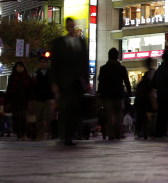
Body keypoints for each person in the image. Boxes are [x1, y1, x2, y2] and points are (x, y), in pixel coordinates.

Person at [51, 17, 90, 146]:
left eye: (72, 25)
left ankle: (70, 134)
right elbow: (55, 64)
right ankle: (66, 135)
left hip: (77, 82)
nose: (71, 28)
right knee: (66, 108)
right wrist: (55, 83)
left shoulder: (81, 42)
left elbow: (85, 62)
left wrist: (87, 80)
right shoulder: (60, 43)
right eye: (69, 26)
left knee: (75, 109)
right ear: (66, 27)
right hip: (64, 82)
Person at [98, 47, 131, 140]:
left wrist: (100, 94)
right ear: (117, 57)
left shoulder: (103, 69)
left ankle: (111, 134)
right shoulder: (122, 68)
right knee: (118, 114)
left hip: (107, 95)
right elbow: (127, 82)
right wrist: (128, 94)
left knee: (109, 115)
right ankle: (118, 133)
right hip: (118, 95)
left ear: (108, 56)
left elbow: (101, 83)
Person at [5, 61, 33, 140]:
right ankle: (19, 134)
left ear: (24, 68)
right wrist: (7, 101)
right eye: (18, 67)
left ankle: (24, 134)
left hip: (24, 100)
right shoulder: (12, 78)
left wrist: (31, 100)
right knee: (16, 118)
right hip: (15, 100)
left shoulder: (27, 78)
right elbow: (9, 89)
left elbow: (30, 90)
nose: (19, 68)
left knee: (24, 117)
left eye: (21, 67)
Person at [32, 56, 54, 140]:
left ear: (47, 63)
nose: (43, 63)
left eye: (44, 62)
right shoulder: (36, 73)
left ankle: (48, 131)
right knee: (39, 116)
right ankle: (40, 133)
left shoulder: (51, 72)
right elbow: (33, 86)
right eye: (41, 62)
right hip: (39, 97)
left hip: (49, 96)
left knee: (49, 116)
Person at [134, 57, 155, 140]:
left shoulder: (146, 75)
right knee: (149, 116)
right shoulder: (152, 73)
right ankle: (148, 131)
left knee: (142, 116)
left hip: (143, 99)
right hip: (148, 99)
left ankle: (141, 131)